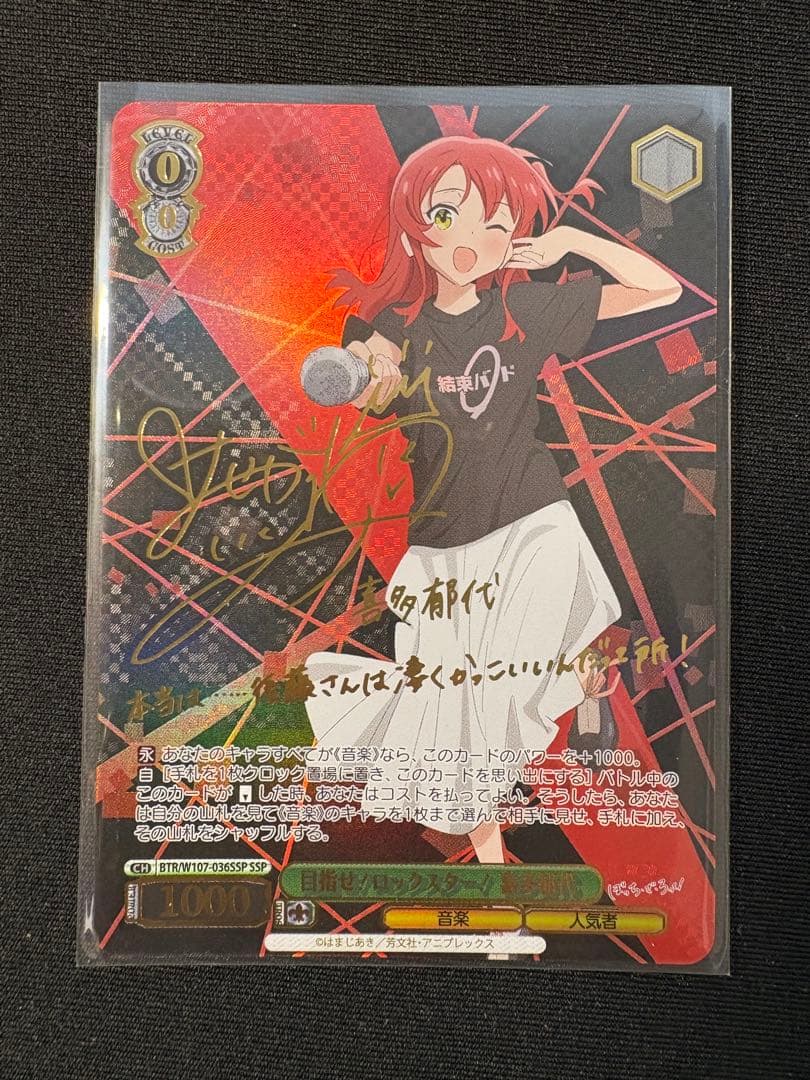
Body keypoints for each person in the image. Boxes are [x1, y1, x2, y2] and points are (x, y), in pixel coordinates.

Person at [305, 135, 682, 867]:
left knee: (520, 659)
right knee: (455, 718)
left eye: (495, 222)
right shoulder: (396, 326)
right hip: (443, 547)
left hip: (532, 521)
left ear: (515, 236)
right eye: (447, 216)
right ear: (413, 228)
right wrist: (365, 376)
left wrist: (570, 241)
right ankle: (493, 865)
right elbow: (371, 373)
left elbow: (659, 290)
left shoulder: (524, 309)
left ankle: (581, 681)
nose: (469, 241)